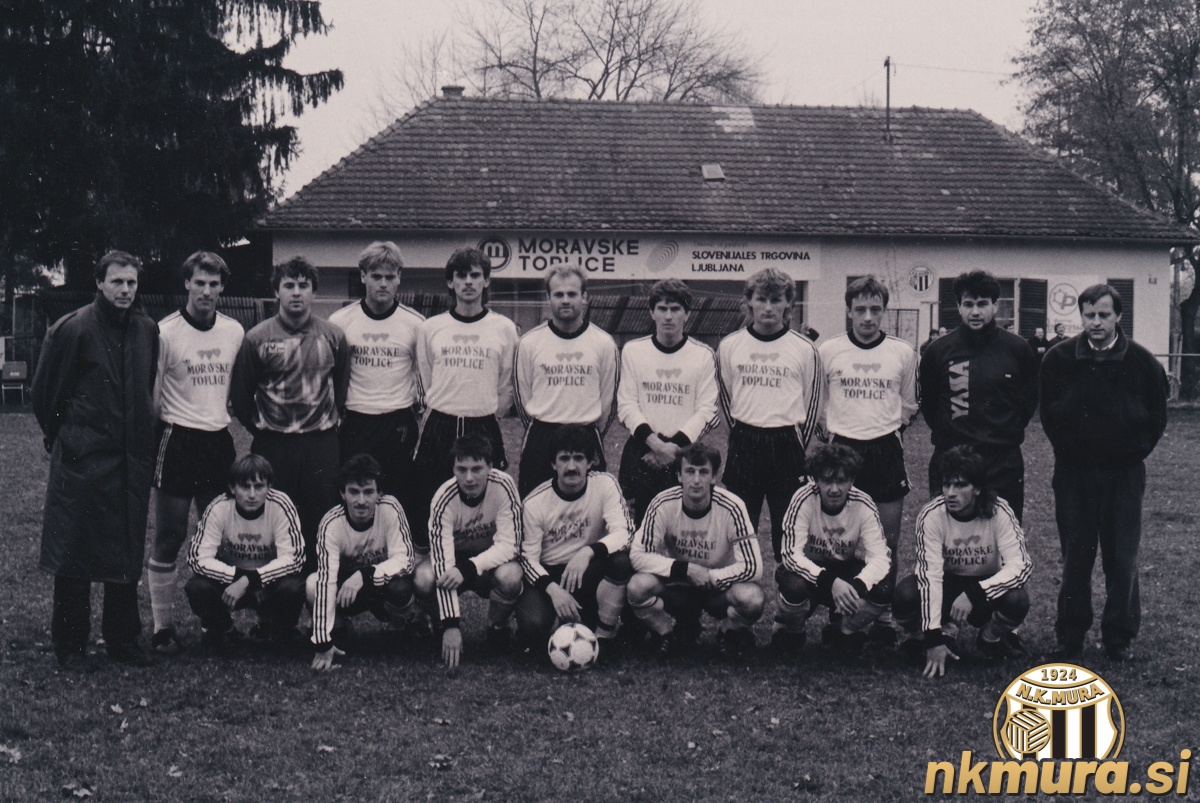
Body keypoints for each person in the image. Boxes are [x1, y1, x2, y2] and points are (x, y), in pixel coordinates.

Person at [32, 250, 159, 670]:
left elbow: (146, 386)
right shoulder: (73, 329)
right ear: (100, 283)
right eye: (117, 281)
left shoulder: (146, 330)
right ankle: (70, 644)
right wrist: (68, 437)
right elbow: (45, 393)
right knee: (75, 551)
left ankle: (123, 638)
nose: (125, 290)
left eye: (131, 282)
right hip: (83, 460)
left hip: (129, 461)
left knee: (125, 549)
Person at [1040, 284, 1168, 662]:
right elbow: (1048, 415)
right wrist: (1074, 453)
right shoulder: (1058, 359)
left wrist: (1128, 454)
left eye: (1104, 315)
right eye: (1090, 315)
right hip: (1074, 475)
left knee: (1122, 559)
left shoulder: (1143, 362)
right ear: (1081, 316)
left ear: (1118, 317)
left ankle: (1118, 636)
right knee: (1075, 557)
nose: (1096, 322)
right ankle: (1070, 635)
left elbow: (1157, 419)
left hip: (1123, 476)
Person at [147, 251, 244, 655]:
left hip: (217, 441)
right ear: (186, 283)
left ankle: (214, 622)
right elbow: (154, 396)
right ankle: (162, 627)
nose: (206, 291)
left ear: (222, 287)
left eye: (213, 283)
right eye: (199, 282)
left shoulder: (234, 331)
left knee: (218, 538)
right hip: (178, 440)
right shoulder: (166, 331)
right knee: (170, 536)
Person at [230, 256, 350, 571]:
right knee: (275, 515)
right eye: (289, 285)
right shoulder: (257, 338)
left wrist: (325, 422)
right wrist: (264, 430)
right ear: (276, 291)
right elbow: (241, 397)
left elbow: (341, 389)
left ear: (313, 292)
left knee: (321, 517)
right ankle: (275, 589)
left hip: (320, 443)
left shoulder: (333, 336)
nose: (296, 292)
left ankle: (316, 585)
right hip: (274, 443)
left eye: (303, 285)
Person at [818, 275, 917, 638]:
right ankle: (842, 611)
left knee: (887, 541)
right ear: (848, 311)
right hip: (842, 450)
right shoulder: (828, 351)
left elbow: (909, 404)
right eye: (860, 309)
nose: (868, 317)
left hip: (885, 450)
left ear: (885, 312)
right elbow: (819, 403)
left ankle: (883, 614)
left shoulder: (902, 352)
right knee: (840, 540)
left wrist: (886, 430)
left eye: (876, 309)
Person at [893, 446, 1032, 679]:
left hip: (985, 588)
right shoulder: (932, 515)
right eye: (946, 485)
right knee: (904, 596)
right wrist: (933, 639)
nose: (950, 493)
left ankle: (990, 638)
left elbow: (1021, 566)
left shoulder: (1000, 511)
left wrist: (976, 593)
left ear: (977, 488)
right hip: (947, 584)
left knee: (1017, 599)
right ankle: (925, 637)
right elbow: (930, 576)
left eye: (960, 485)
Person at [717, 268, 823, 563]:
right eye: (761, 299)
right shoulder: (730, 346)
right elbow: (726, 398)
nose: (767, 307)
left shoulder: (804, 349)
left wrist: (795, 442)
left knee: (788, 529)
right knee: (740, 525)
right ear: (749, 301)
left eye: (776, 300)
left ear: (788, 303)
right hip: (745, 440)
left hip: (787, 442)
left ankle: (787, 586)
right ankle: (739, 582)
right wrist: (740, 435)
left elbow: (811, 403)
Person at [328, 242, 426, 548]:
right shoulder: (340, 322)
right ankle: (353, 552)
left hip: (397, 422)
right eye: (376, 276)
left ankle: (397, 557)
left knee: (396, 494)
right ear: (363, 276)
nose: (383, 283)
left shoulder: (415, 324)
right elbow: (333, 375)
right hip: (356, 421)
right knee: (356, 493)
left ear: (399, 278)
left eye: (389, 276)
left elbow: (423, 376)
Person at [918, 270, 1038, 521]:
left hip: (1002, 462)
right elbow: (929, 404)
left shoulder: (1017, 348)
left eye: (982, 304)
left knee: (1003, 534)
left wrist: (1007, 428)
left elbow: (1028, 399)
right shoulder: (937, 351)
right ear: (958, 306)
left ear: (995, 305)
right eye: (968, 304)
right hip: (951, 460)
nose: (975, 312)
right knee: (952, 535)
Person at [414, 247, 520, 525]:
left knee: (485, 500)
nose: (469, 282)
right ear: (451, 282)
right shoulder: (431, 328)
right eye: (461, 276)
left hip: (483, 423)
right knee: (431, 496)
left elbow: (506, 382)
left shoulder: (504, 328)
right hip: (440, 423)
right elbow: (426, 377)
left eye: (475, 275)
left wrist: (487, 412)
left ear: (486, 280)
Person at [628, 443, 764, 657]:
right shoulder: (662, 503)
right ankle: (665, 633)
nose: (697, 480)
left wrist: (710, 577)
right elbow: (637, 555)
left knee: (752, 598)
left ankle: (729, 632)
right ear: (679, 476)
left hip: (718, 589)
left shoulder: (733, 507)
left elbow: (753, 566)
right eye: (690, 471)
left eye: (704, 472)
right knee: (638, 586)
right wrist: (686, 570)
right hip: (679, 585)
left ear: (714, 477)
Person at [515, 425, 633, 649]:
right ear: (553, 464)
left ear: (590, 463)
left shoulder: (605, 484)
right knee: (533, 625)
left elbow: (624, 533)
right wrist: (554, 591)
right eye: (564, 458)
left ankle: (604, 634)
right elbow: (528, 559)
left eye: (578, 458)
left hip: (588, 569)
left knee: (621, 562)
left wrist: (588, 552)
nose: (571, 466)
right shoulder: (534, 503)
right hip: (550, 573)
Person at [415, 434, 524, 669]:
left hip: (488, 562)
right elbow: (443, 566)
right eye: (461, 469)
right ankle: (440, 624)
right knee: (423, 578)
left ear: (490, 466)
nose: (469, 478)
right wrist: (451, 624)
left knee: (512, 575)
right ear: (453, 469)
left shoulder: (504, 486)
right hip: (453, 562)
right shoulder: (443, 499)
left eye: (477, 469)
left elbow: (510, 545)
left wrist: (470, 567)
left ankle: (496, 627)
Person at [616, 279, 720, 524]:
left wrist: (673, 448)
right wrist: (656, 445)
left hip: (684, 453)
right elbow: (626, 404)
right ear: (652, 312)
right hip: (642, 451)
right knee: (637, 529)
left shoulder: (703, 355)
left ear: (687, 314)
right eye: (662, 309)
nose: (669, 316)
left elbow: (707, 410)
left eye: (675, 309)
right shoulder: (633, 350)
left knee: (682, 527)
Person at [772, 443, 891, 653]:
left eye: (841, 480)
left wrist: (857, 586)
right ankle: (794, 630)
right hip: (809, 573)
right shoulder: (803, 499)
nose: (834, 489)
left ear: (852, 480)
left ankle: (843, 629)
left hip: (844, 570)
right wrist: (830, 582)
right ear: (815, 480)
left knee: (883, 587)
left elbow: (881, 557)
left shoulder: (863, 503)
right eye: (827, 480)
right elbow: (790, 555)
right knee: (792, 585)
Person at [514, 265, 619, 497]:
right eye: (558, 294)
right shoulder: (529, 343)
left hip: (585, 433)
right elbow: (523, 398)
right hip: (542, 436)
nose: (565, 300)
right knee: (534, 507)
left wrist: (589, 431)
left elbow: (608, 401)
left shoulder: (603, 343)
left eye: (572, 294)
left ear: (584, 297)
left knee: (590, 509)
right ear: (548, 298)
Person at [309, 454, 419, 671]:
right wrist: (322, 643)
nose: (361, 501)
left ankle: (401, 626)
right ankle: (338, 627)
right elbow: (326, 581)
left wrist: (365, 575)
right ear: (342, 493)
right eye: (353, 492)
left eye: (368, 492)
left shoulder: (390, 508)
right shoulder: (331, 523)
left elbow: (405, 559)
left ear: (379, 493)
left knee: (401, 586)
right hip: (347, 593)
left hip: (381, 587)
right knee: (313, 584)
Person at [185, 454, 305, 651]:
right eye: (244, 486)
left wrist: (251, 579)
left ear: (269, 487)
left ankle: (279, 630)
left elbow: (294, 558)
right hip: (230, 584)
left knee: (293, 586)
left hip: (268, 584)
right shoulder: (219, 507)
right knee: (197, 587)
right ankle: (224, 630)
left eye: (258, 487)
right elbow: (198, 558)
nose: (252, 495)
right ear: (232, 488)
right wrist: (237, 577)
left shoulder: (280, 505)